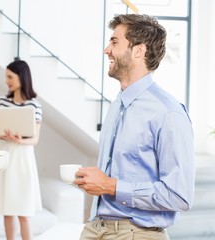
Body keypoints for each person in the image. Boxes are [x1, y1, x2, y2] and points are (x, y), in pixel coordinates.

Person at [74, 14, 195, 240]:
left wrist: (111, 186)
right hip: (96, 228)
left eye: (114, 42)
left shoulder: (169, 114)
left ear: (138, 51)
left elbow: (180, 195)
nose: (106, 50)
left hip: (137, 234)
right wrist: (96, 182)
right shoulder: (116, 105)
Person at [0, 60, 42, 240]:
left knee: (23, 210)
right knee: (7, 210)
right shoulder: (3, 101)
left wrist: (20, 140)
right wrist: (4, 135)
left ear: (22, 77)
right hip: (4, 154)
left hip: (22, 157)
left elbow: (35, 139)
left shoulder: (34, 105)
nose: (7, 81)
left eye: (10, 77)